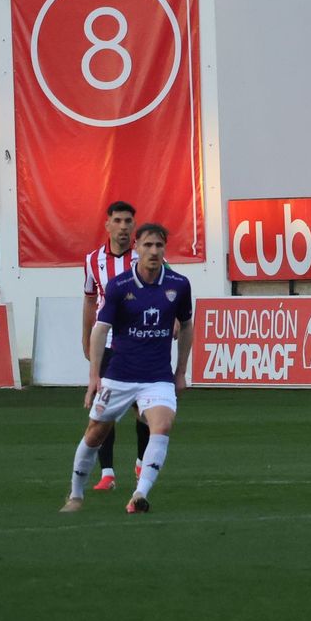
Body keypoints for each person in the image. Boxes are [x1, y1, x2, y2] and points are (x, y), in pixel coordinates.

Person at [61, 223, 193, 516]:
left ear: (165, 249)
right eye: (148, 245)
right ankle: (76, 494)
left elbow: (186, 326)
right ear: (137, 248)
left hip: (157, 377)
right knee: (95, 433)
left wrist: (180, 372)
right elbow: (100, 330)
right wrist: (94, 377)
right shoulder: (120, 286)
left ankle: (139, 494)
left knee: (162, 425)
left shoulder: (179, 285)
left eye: (159, 246)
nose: (154, 251)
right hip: (119, 376)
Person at [82, 200, 150, 491]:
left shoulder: (145, 255)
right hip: (109, 344)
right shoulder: (92, 260)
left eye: (128, 221)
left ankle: (141, 462)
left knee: (144, 409)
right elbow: (89, 300)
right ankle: (107, 473)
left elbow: (166, 288)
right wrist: (86, 337)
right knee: (105, 409)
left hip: (141, 342)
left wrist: (173, 320)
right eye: (118, 221)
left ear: (134, 225)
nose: (123, 227)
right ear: (107, 224)